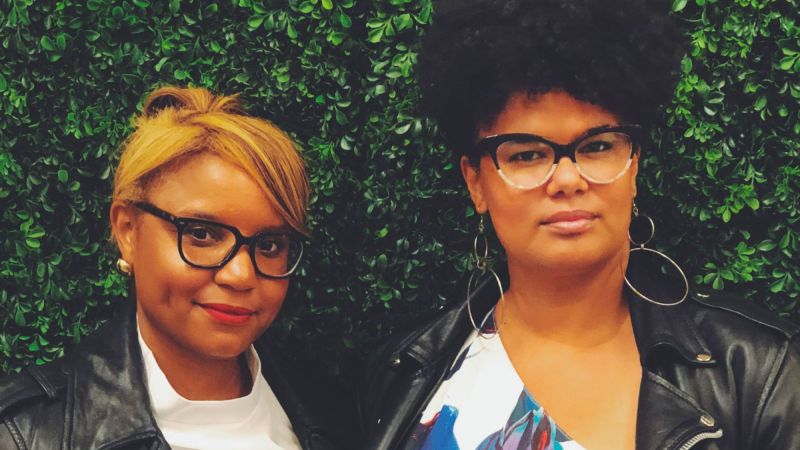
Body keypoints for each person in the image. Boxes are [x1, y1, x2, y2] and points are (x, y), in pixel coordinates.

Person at [356, 1, 800, 449]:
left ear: (634, 165)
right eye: (526, 154)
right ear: (476, 183)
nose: (568, 179)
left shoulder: (758, 374)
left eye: (598, 146)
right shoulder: (404, 374)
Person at [0, 86, 345, 449]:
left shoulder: (336, 412)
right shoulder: (25, 434)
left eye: (269, 245)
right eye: (201, 234)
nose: (241, 275)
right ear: (128, 231)